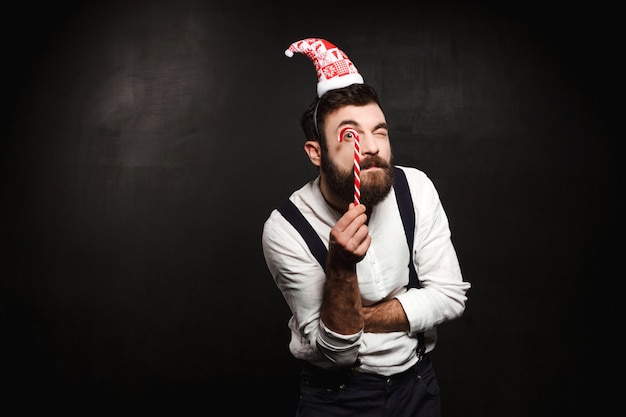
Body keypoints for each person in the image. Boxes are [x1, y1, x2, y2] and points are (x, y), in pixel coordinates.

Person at [261, 38, 471, 417]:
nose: (371, 146)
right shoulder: (285, 228)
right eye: (350, 134)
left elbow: (450, 297)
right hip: (336, 399)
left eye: (380, 131)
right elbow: (335, 351)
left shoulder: (415, 188)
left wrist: (359, 318)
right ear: (316, 152)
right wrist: (340, 269)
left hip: (417, 387)